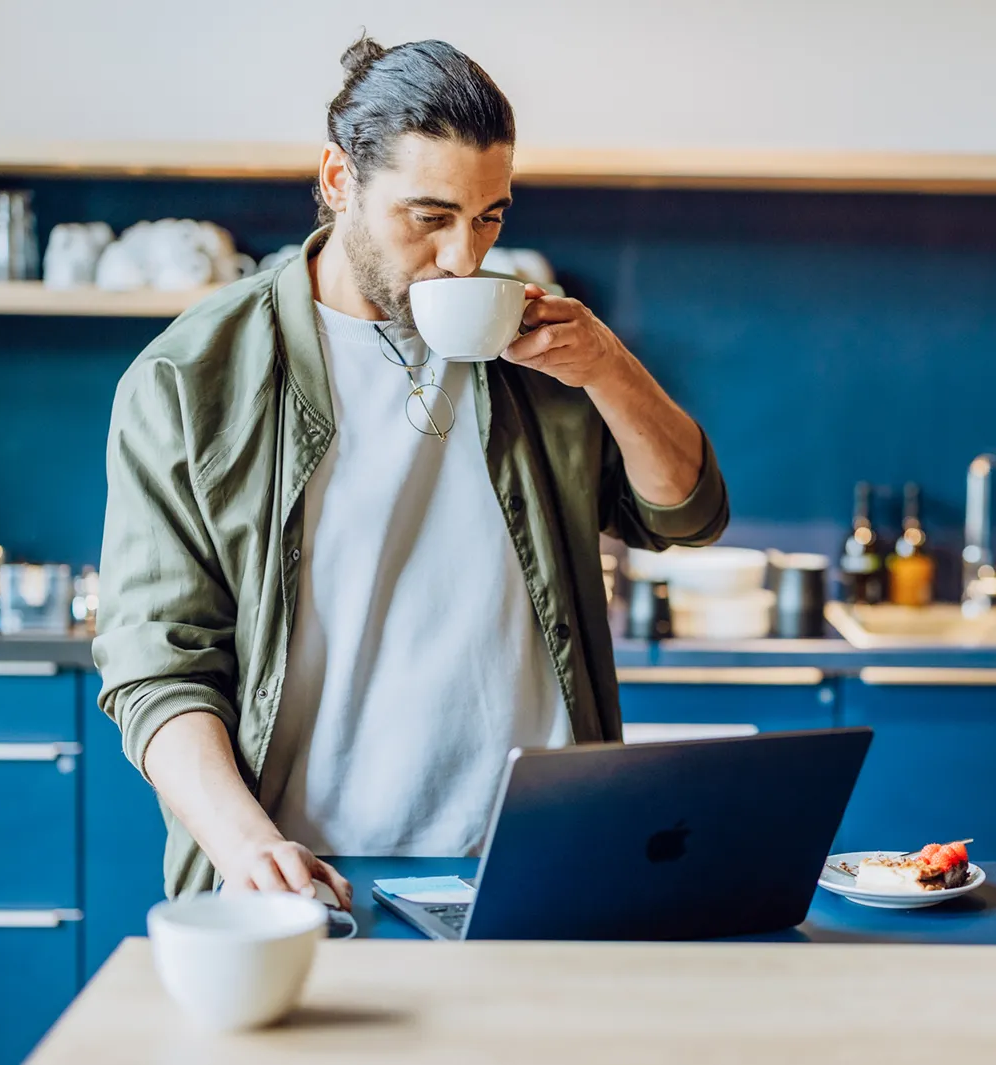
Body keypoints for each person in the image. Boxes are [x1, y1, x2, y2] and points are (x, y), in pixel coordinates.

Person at [94, 35, 729, 905]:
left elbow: (683, 513)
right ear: (337, 179)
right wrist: (249, 848)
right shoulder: (189, 380)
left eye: (490, 216)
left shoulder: (536, 350)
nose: (465, 257)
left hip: (534, 865)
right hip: (314, 879)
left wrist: (609, 367)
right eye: (428, 217)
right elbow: (155, 667)